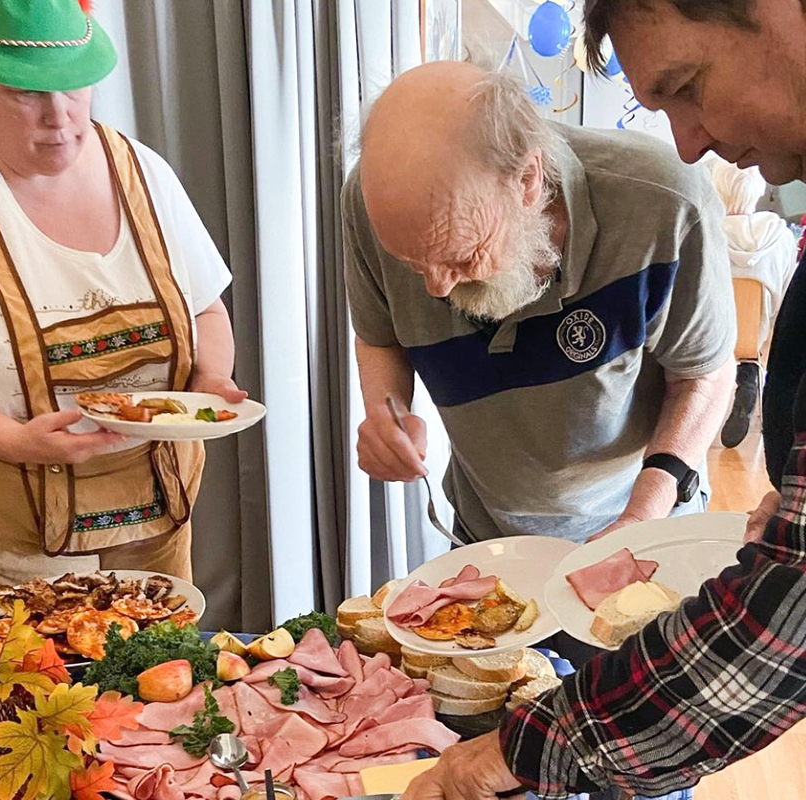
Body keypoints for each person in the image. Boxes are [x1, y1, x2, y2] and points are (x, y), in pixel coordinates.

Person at [398, 1, 806, 798]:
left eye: (688, 85)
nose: (689, 139)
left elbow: (781, 624)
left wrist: (522, 751)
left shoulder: (662, 197)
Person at [0, 0, 245, 605]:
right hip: (17, 538)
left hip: (155, 510)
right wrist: (18, 443)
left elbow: (206, 311)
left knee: (161, 682)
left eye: (72, 85)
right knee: (42, 689)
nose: (59, 117)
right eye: (26, 93)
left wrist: (208, 382)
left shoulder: (143, 173)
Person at [343, 60, 736, 547]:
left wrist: (641, 519)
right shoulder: (370, 202)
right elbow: (379, 336)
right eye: (411, 263)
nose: (437, 290)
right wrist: (388, 413)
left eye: (461, 257)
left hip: (643, 524)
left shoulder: (665, 204)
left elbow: (704, 377)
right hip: (487, 539)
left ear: (528, 179)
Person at [705, 158, 796, 447]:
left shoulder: (706, 233)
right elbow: (786, 298)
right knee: (770, 319)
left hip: (712, 339)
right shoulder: (781, 237)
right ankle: (749, 374)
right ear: (757, 190)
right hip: (756, 338)